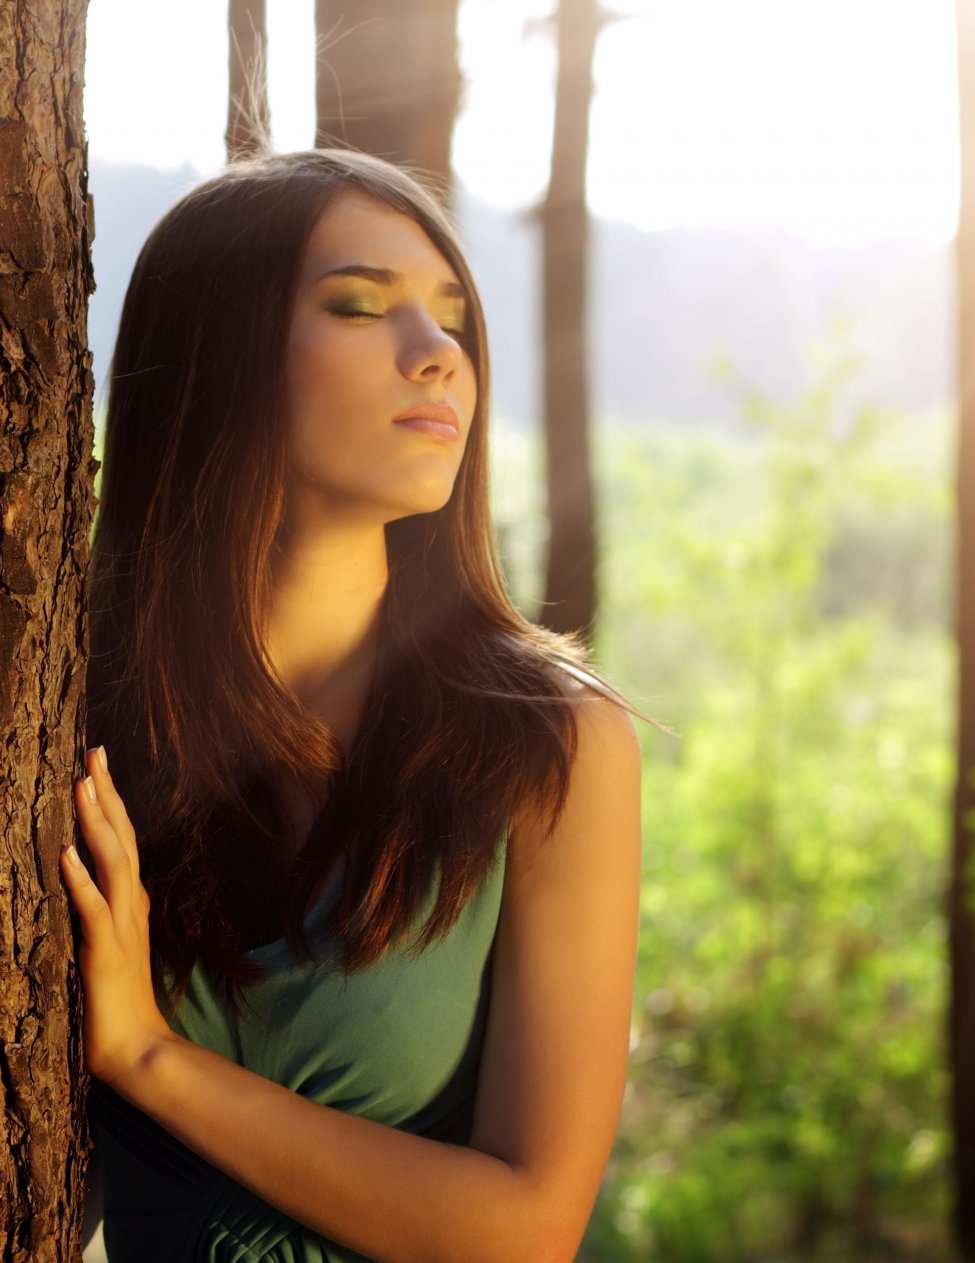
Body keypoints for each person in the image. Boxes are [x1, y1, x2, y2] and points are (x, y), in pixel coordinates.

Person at [59, 147, 645, 1263]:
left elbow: (526, 1231)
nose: (439, 360)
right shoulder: (69, 719)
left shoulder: (553, 743)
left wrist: (147, 1056)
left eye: (453, 322)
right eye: (363, 307)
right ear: (216, 358)